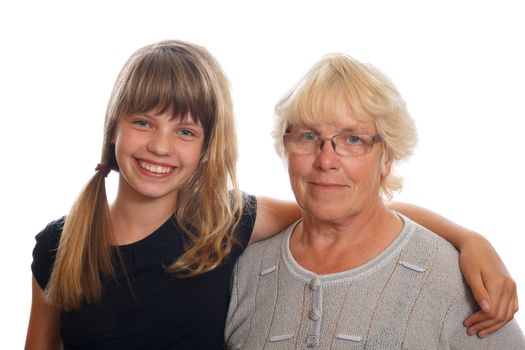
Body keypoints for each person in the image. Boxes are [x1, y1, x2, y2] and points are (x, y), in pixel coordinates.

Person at [25, 41, 516, 350]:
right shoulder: (58, 246)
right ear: (113, 127)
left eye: (186, 131)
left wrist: (468, 238)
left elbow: (343, 208)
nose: (159, 145)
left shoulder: (222, 225)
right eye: (142, 122)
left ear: (206, 146)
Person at [225, 54, 524, 349]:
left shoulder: (454, 281)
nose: (326, 160)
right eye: (307, 136)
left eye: (353, 140)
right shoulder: (245, 272)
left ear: (387, 159)